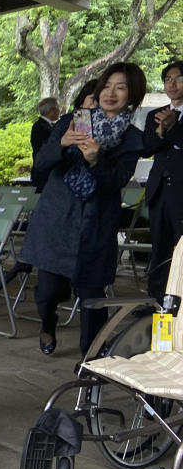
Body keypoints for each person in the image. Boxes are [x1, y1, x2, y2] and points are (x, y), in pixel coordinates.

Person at [21, 62, 146, 356]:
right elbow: (40, 165)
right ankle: (48, 325)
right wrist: (62, 144)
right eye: (107, 85)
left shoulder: (132, 138)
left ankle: (91, 359)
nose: (111, 93)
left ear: (133, 95)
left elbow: (116, 180)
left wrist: (95, 161)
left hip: (96, 223)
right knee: (47, 292)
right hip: (57, 219)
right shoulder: (70, 121)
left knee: (92, 296)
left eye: (121, 87)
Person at [141, 60, 183, 301]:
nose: (172, 84)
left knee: (181, 249)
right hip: (159, 192)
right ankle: (155, 301)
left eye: (178, 79)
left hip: (181, 192)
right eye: (167, 79)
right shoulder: (154, 116)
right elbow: (147, 149)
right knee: (159, 248)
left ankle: (179, 302)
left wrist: (174, 127)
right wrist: (160, 130)